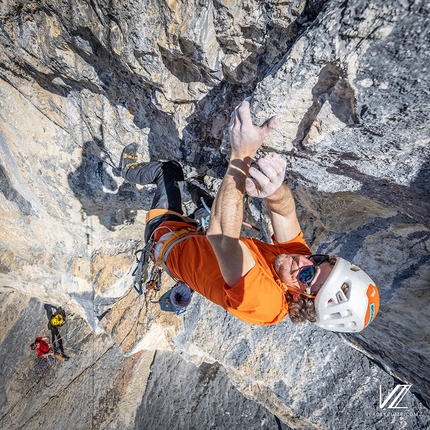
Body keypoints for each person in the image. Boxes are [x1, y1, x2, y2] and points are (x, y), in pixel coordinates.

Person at [121, 98, 380, 332]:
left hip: (167, 237)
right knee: (209, 200)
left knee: (169, 171)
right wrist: (273, 190)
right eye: (318, 259)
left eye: (308, 276)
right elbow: (284, 210)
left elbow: (223, 237)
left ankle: (128, 170)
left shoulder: (263, 303)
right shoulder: (298, 263)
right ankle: (196, 192)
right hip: (198, 241)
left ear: (302, 300)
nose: (304, 261)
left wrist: (242, 155)